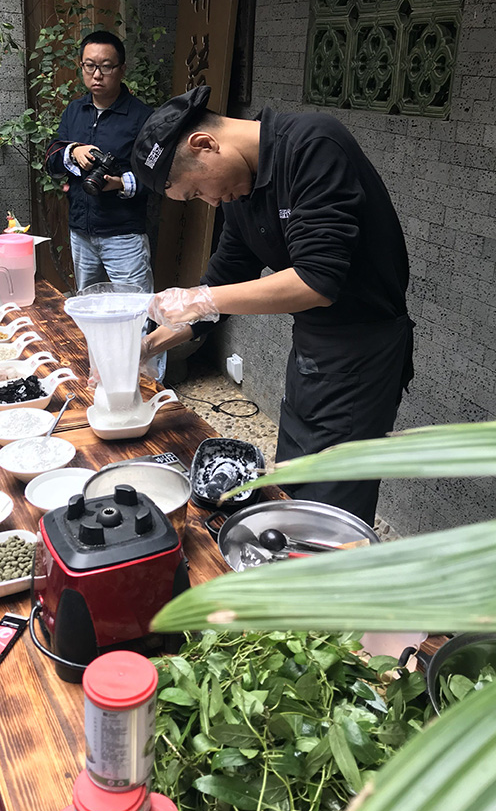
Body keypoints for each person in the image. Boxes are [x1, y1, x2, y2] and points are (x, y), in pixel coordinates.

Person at [130, 86, 414, 526]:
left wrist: (200, 299)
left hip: (364, 351)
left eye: (197, 191)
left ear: (205, 144)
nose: (210, 201)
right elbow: (223, 281)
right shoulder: (242, 192)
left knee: (331, 502)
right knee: (292, 480)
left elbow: (317, 280)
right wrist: (150, 346)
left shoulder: (313, 146)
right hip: (311, 349)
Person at [45, 30, 155, 294]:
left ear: (121, 69)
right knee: (88, 304)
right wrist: (73, 152)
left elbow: (158, 174)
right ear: (81, 66)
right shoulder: (74, 111)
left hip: (124, 235)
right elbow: (51, 159)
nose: (97, 75)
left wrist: (120, 183)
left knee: (134, 309)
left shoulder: (142, 116)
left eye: (106, 66)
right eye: (90, 66)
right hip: (81, 232)